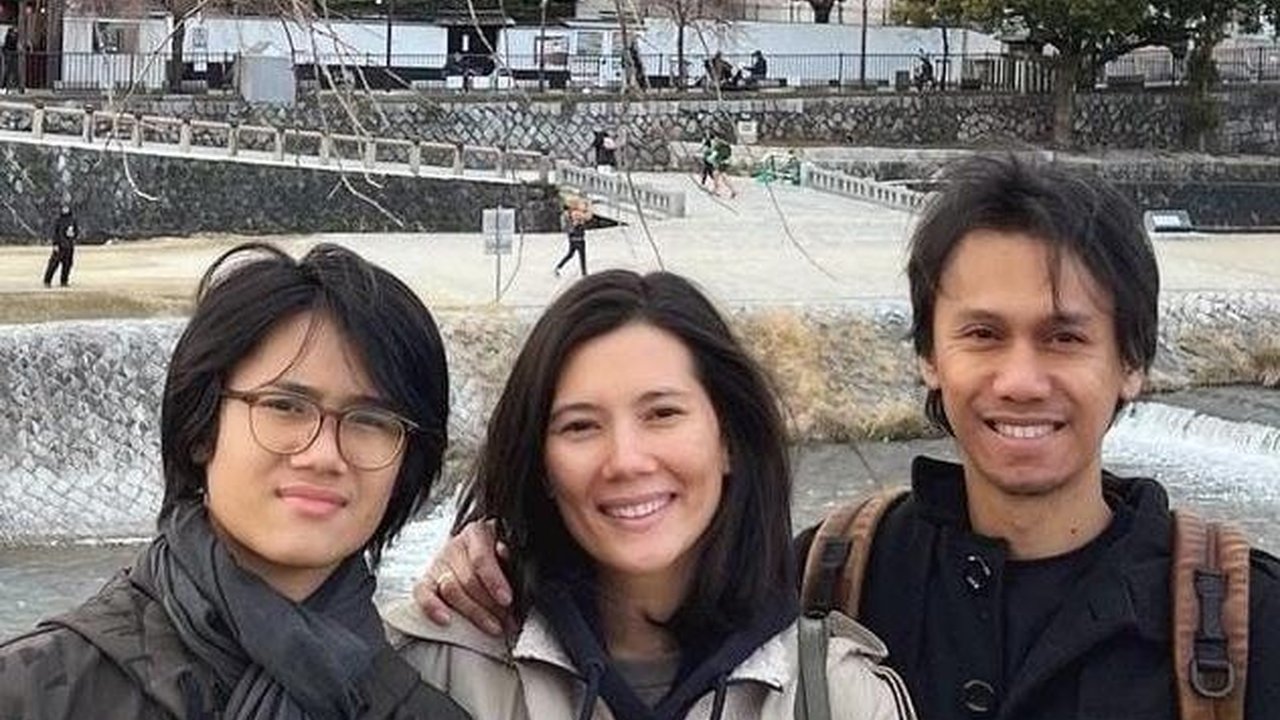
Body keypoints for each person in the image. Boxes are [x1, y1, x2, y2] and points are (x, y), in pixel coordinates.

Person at [413, 156, 1280, 719]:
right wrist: (500, 558)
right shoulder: (827, 574)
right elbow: (642, 604)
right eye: (982, 335)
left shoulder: (1246, 624)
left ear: (1132, 363)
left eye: (1064, 337)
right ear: (928, 356)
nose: (1020, 379)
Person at [384, 270, 916, 720]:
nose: (626, 460)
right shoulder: (434, 669)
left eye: (662, 414)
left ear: (728, 440)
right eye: (580, 426)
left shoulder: (838, 697)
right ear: (541, 464)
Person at [0, 242, 471, 719]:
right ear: (202, 429)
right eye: (285, 406)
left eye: (370, 420)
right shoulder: (32, 693)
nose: (324, 455)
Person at [554, 194, 591, 277]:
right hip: (578, 236)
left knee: (570, 254)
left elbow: (566, 227)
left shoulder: (564, 216)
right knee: (581, 256)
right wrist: (588, 206)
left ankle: (559, 267)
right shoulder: (572, 214)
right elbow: (586, 217)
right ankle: (584, 273)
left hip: (572, 237)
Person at [43, 204, 79, 288]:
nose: (65, 210)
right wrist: (55, 244)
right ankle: (47, 281)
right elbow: (54, 233)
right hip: (60, 246)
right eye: (64, 208)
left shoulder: (72, 220)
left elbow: (76, 231)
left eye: (66, 208)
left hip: (69, 246)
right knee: (53, 264)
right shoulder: (58, 220)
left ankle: (64, 281)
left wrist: (73, 235)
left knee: (67, 265)